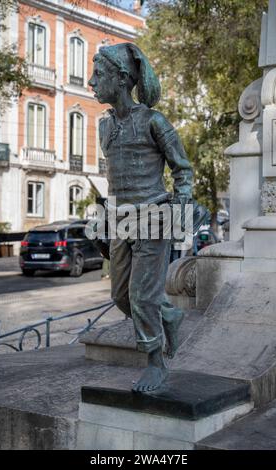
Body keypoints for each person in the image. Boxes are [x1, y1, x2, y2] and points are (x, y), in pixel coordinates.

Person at [88, 43, 193, 392]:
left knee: (141, 296)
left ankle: (156, 363)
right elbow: (112, 180)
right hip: (121, 219)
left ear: (120, 79)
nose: (91, 81)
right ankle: (168, 315)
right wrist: (102, 223)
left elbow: (183, 170)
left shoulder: (153, 121)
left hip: (154, 215)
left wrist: (180, 209)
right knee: (120, 295)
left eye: (98, 75)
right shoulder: (105, 128)